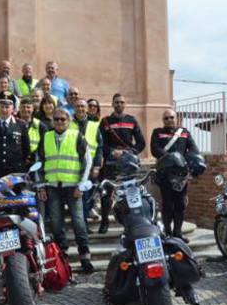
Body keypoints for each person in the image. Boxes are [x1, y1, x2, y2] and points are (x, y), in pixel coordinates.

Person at [38, 108, 93, 273]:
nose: (60, 122)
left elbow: (87, 161)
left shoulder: (76, 136)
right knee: (56, 222)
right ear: (52, 121)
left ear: (68, 121)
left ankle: (85, 256)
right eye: (57, 119)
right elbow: (38, 163)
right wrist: (40, 186)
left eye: (63, 119)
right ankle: (63, 255)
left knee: (78, 222)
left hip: (73, 187)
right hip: (52, 187)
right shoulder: (46, 137)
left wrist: (81, 185)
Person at [98, 93, 146, 233]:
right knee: (107, 194)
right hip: (111, 162)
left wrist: (131, 152)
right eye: (116, 102)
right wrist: (112, 151)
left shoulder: (132, 120)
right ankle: (104, 221)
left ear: (125, 105)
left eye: (121, 102)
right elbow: (101, 144)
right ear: (112, 104)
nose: (119, 104)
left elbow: (141, 143)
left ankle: (131, 223)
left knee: (130, 193)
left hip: (128, 163)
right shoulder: (105, 121)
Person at [151, 109, 199, 242]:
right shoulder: (157, 132)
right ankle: (168, 232)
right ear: (163, 120)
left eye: (171, 117)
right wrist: (171, 158)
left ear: (176, 118)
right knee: (167, 204)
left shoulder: (184, 132)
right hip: (164, 174)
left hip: (181, 175)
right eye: (166, 118)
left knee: (180, 204)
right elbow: (155, 150)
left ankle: (177, 233)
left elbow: (193, 149)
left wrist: (185, 161)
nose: (169, 120)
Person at [71, 98, 103, 231]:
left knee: (87, 199)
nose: (80, 109)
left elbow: (100, 146)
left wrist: (96, 166)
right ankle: (81, 226)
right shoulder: (68, 124)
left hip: (89, 169)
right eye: (78, 106)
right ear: (74, 108)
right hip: (72, 168)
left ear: (86, 109)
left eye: (83, 107)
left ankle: (83, 226)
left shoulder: (94, 125)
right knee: (77, 199)